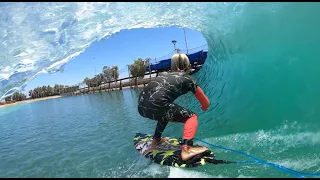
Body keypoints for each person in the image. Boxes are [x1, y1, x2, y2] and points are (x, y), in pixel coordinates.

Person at [137, 53, 210, 161]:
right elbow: (206, 102)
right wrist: (204, 107)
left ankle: (156, 139)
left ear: (172, 65)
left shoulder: (162, 74)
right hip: (158, 105)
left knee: (166, 113)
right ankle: (187, 149)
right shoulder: (188, 79)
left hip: (141, 107)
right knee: (191, 117)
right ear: (188, 64)